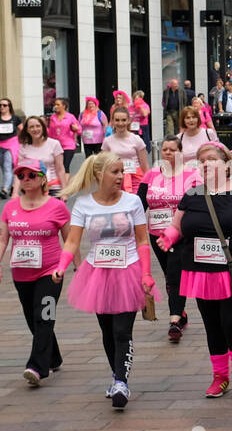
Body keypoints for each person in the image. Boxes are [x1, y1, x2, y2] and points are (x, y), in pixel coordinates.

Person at [156, 142, 232, 399]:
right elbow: (176, 226)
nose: (205, 163)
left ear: (226, 164)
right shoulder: (191, 195)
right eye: (201, 160)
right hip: (201, 270)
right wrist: (168, 237)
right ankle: (220, 377)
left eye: (211, 158)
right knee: (212, 325)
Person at [52, 151, 160, 409]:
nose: (121, 176)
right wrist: (60, 266)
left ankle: (121, 381)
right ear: (100, 174)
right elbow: (73, 241)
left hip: (129, 270)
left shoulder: (133, 201)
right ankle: (115, 375)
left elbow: (143, 240)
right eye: (116, 172)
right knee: (108, 331)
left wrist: (146, 273)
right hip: (97, 273)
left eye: (123, 171)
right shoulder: (84, 204)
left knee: (123, 331)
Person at [0, 159, 71, 385]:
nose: (26, 180)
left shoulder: (57, 206)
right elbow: (3, 239)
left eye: (31, 175)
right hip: (21, 274)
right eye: (21, 176)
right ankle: (54, 355)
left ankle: (37, 367)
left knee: (44, 316)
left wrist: (64, 267)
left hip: (50, 273)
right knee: (34, 319)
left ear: (42, 178)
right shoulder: (10, 207)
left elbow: (70, 241)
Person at [139, 136, 198, 341]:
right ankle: (180, 312)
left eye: (173, 150)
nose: (168, 153)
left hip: (181, 234)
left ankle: (174, 320)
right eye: (165, 150)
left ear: (181, 152)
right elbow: (139, 204)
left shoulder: (192, 175)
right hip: (156, 233)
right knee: (169, 274)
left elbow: (198, 203)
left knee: (175, 274)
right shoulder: (151, 174)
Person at [102, 107, 151, 198]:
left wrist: (149, 184)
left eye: (124, 120)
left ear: (129, 121)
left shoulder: (136, 139)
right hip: (115, 179)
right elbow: (104, 165)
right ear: (112, 121)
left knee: (135, 204)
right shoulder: (107, 141)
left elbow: (145, 166)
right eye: (117, 120)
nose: (120, 123)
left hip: (135, 179)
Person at [18, 115, 67, 195]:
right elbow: (20, 171)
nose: (35, 129)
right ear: (27, 130)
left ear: (43, 128)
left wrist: (64, 191)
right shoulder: (23, 147)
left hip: (53, 187)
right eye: (31, 127)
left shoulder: (54, 144)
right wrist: (15, 192)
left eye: (38, 126)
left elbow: (60, 169)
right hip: (33, 188)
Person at [46, 98, 81, 175]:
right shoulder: (53, 117)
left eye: (58, 105)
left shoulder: (70, 117)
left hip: (68, 146)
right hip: (56, 146)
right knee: (57, 167)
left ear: (64, 106)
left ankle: (65, 186)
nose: (55, 106)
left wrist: (76, 129)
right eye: (55, 105)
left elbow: (79, 130)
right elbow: (51, 132)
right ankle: (59, 184)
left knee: (65, 167)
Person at [0, 99, 23, 199]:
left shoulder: (15, 118)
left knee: (7, 166)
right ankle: (13, 185)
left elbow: (22, 129)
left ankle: (5, 189)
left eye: (4, 105)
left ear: (9, 106)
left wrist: (21, 142)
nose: (2, 107)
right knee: (4, 167)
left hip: (12, 144)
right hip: (0, 145)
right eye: (0, 105)